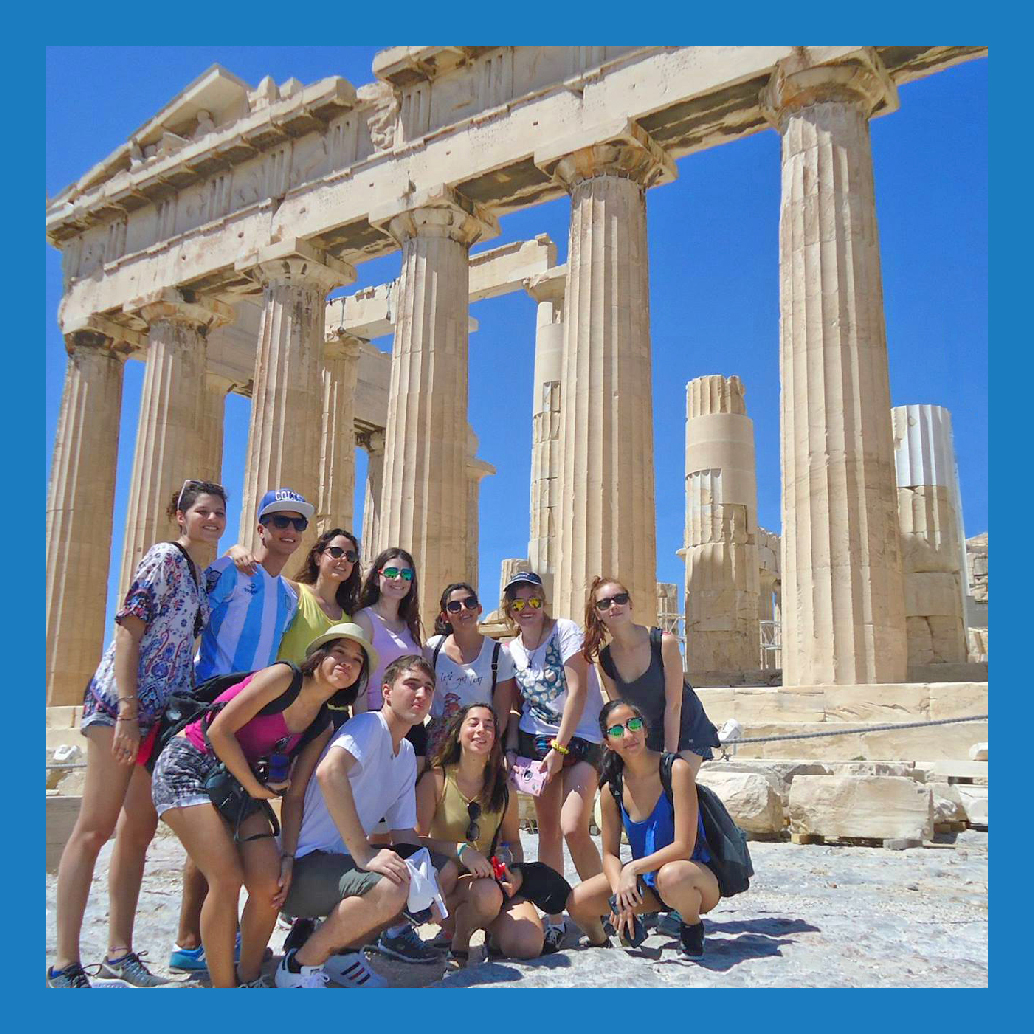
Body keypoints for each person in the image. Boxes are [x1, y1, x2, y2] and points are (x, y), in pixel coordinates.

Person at [48, 479, 226, 988]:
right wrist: (126, 710)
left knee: (138, 833)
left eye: (219, 512)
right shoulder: (163, 559)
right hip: (120, 709)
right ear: (180, 516)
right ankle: (64, 962)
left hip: (162, 718)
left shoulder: (199, 575)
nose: (212, 520)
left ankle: (119, 952)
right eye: (203, 511)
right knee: (94, 828)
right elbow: (129, 631)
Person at [150, 623, 375, 987]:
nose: (346, 663)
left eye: (357, 660)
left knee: (270, 886)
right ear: (319, 656)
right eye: (339, 652)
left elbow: (296, 795)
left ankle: (249, 976)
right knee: (226, 878)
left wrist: (288, 855)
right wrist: (256, 788)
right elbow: (219, 730)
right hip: (188, 764)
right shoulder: (283, 677)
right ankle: (225, 989)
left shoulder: (323, 723)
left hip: (236, 783)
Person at [172, 487, 312, 974]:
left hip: (248, 717)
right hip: (208, 710)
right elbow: (186, 616)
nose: (289, 531)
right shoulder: (229, 571)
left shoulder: (290, 597)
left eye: (298, 524)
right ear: (260, 528)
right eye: (279, 522)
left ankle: (214, 936)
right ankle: (189, 938)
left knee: (227, 825)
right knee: (210, 827)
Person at [274, 655, 437, 988]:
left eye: (428, 688)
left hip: (339, 866)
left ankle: (344, 956)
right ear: (387, 691)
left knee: (423, 875)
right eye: (411, 684)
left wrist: (430, 881)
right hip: (303, 866)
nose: (421, 694)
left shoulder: (406, 753)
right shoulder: (369, 725)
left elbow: (404, 833)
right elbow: (329, 772)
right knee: (391, 885)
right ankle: (299, 966)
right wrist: (364, 853)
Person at [567, 700, 721, 960]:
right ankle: (602, 939)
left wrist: (632, 869)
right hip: (649, 885)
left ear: (645, 730)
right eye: (617, 731)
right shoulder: (612, 790)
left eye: (634, 724)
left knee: (671, 875)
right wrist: (620, 894)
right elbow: (609, 854)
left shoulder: (676, 770)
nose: (628, 735)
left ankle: (691, 925)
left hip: (691, 880)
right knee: (577, 901)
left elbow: (683, 847)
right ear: (608, 743)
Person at [502, 570, 605, 954]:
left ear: (543, 602)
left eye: (533, 600)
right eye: (517, 603)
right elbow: (516, 707)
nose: (526, 608)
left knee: (574, 826)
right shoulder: (510, 650)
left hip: (580, 736)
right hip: (536, 740)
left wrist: (560, 750)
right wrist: (513, 748)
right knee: (547, 832)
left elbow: (577, 690)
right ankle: (555, 916)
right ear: (509, 609)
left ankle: (607, 904)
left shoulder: (566, 631)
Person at [352, 548, 439, 963]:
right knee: (370, 825)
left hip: (410, 733)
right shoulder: (364, 618)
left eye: (406, 574)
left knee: (401, 822)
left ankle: (395, 924)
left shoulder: (410, 625)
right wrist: (360, 729)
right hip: (374, 726)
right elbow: (357, 679)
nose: (398, 580)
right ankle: (361, 918)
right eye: (391, 572)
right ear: (377, 576)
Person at [416, 704, 544, 967]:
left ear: (495, 738)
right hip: (451, 885)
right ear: (458, 733)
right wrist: (460, 850)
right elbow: (414, 839)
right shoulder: (436, 779)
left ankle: (491, 932)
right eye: (473, 723)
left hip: (492, 882)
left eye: (488, 725)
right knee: (485, 893)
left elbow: (514, 842)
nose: (481, 730)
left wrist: (513, 872)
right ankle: (460, 942)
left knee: (528, 944)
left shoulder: (502, 787)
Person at [582, 576, 720, 777]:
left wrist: (669, 757)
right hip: (648, 734)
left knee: (675, 784)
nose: (614, 606)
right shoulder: (605, 661)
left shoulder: (663, 642)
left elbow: (674, 705)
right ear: (597, 613)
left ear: (630, 604)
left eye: (620, 598)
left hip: (686, 729)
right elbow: (622, 712)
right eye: (605, 603)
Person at [425, 582, 516, 757]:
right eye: (454, 606)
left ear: (479, 609)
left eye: (470, 603)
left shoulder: (499, 654)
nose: (464, 609)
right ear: (445, 616)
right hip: (439, 740)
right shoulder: (433, 648)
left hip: (479, 738)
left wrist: (491, 748)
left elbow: (501, 711)